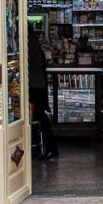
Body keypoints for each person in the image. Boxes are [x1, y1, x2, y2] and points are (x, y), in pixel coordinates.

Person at [27, 30, 57, 161]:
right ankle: (49, 148)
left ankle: (49, 148)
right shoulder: (36, 45)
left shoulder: (29, 45)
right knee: (41, 118)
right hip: (39, 86)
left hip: (34, 87)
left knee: (40, 118)